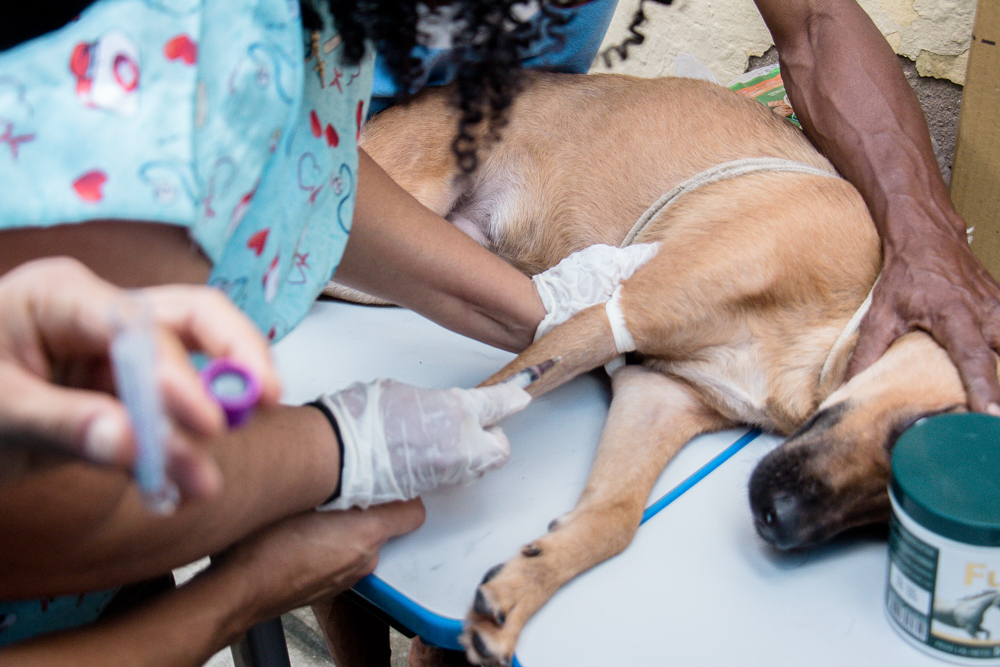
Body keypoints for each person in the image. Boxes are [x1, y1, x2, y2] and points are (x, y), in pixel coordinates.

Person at [0, 0, 652, 662]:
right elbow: (59, 505)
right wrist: (336, 459)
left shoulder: (268, 32)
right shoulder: (140, 93)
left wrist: (527, 305)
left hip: (95, 585)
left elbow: (293, 146)